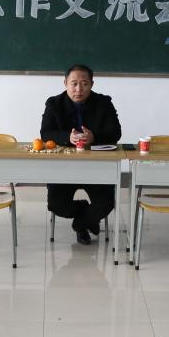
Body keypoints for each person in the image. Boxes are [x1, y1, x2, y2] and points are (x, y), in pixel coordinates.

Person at [40, 64, 121, 245]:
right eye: (74, 83)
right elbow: (46, 133)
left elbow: (115, 132)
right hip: (64, 168)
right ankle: (85, 214)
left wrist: (94, 137)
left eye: (84, 84)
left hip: (96, 167)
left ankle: (80, 224)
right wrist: (67, 137)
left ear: (92, 84)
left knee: (106, 204)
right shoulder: (54, 104)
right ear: (65, 83)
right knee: (56, 205)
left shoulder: (104, 103)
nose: (79, 89)